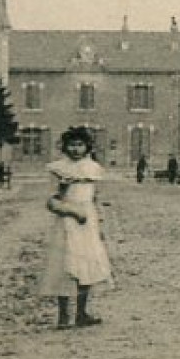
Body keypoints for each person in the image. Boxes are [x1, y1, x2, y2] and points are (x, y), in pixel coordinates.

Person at [41, 127, 113, 328]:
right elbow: (50, 202)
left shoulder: (93, 169)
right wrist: (70, 209)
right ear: (64, 147)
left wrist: (98, 221)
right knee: (64, 266)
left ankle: (82, 313)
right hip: (67, 222)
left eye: (80, 145)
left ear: (87, 147)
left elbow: (95, 197)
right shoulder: (59, 169)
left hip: (87, 223)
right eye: (71, 145)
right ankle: (63, 315)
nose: (75, 149)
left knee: (87, 265)